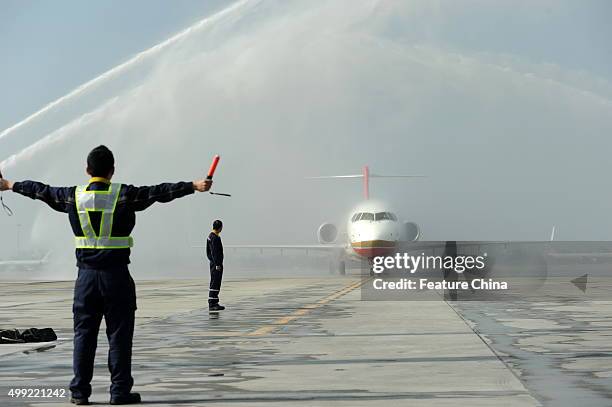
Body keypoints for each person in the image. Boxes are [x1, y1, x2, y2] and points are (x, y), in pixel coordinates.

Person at [0, 145, 213, 405]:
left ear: (87, 170)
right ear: (112, 171)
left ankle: (79, 393)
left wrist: (10, 184)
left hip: (86, 280)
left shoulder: (73, 196)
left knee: (84, 336)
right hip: (117, 278)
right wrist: (193, 185)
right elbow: (159, 192)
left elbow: (40, 190)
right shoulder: (124, 195)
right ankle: (120, 392)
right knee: (119, 337)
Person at [206, 219, 225, 311]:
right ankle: (212, 303)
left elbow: (209, 253)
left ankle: (214, 301)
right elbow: (214, 252)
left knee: (215, 282)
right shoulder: (214, 238)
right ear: (220, 227)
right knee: (215, 282)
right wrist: (217, 264)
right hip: (216, 264)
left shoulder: (210, 236)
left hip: (213, 263)